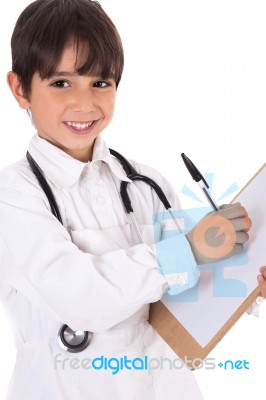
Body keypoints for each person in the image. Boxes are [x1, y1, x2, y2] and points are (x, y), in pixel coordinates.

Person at [0, 0, 252, 399]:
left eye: (101, 83)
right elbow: (82, 297)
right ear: (20, 89)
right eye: (61, 83)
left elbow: (187, 289)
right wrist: (186, 250)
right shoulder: (13, 195)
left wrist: (245, 280)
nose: (84, 103)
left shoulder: (145, 183)